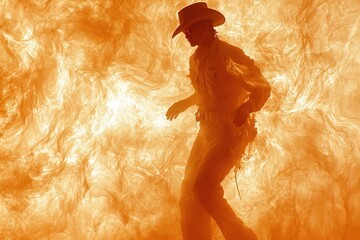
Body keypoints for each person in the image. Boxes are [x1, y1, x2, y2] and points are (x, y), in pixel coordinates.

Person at [166, 2, 271, 240]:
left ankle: (243, 237)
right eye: (184, 31)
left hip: (229, 132)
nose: (186, 35)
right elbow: (206, 93)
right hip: (206, 131)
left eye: (190, 30)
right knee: (189, 194)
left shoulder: (228, 55)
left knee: (203, 188)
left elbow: (261, 87)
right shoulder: (195, 60)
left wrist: (248, 107)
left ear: (205, 27)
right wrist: (185, 103)